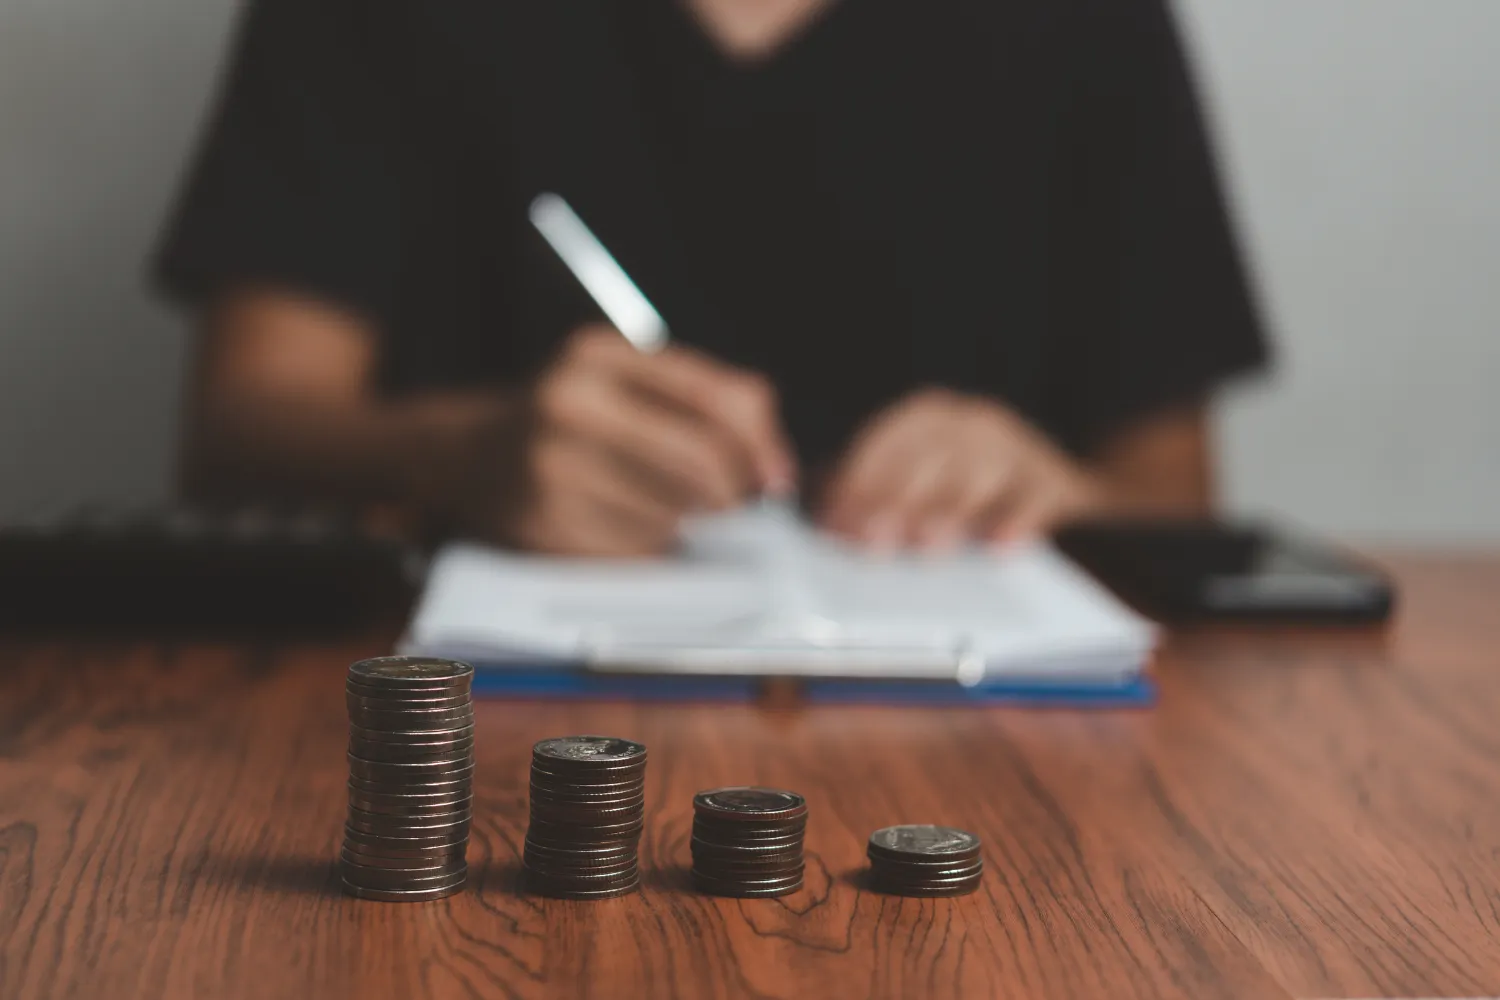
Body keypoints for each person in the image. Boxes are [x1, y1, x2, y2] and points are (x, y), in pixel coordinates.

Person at [156, 0, 1269, 556]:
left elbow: (1174, 499)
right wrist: (465, 453)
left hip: (1008, 781)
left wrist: (1055, 499)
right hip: (459, 750)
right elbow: (238, 432)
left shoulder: (1085, 24)